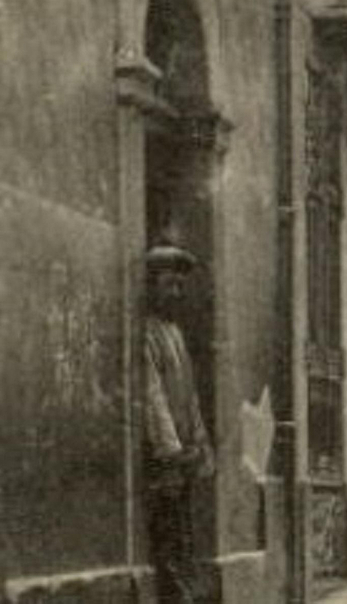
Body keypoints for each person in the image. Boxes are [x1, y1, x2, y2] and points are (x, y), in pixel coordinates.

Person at [143, 240, 213, 604]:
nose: (175, 292)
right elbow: (154, 397)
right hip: (165, 460)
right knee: (168, 537)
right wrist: (170, 451)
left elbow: (189, 396)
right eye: (169, 284)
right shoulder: (149, 334)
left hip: (184, 456)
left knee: (183, 533)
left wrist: (200, 443)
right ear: (152, 286)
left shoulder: (176, 334)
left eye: (180, 286)